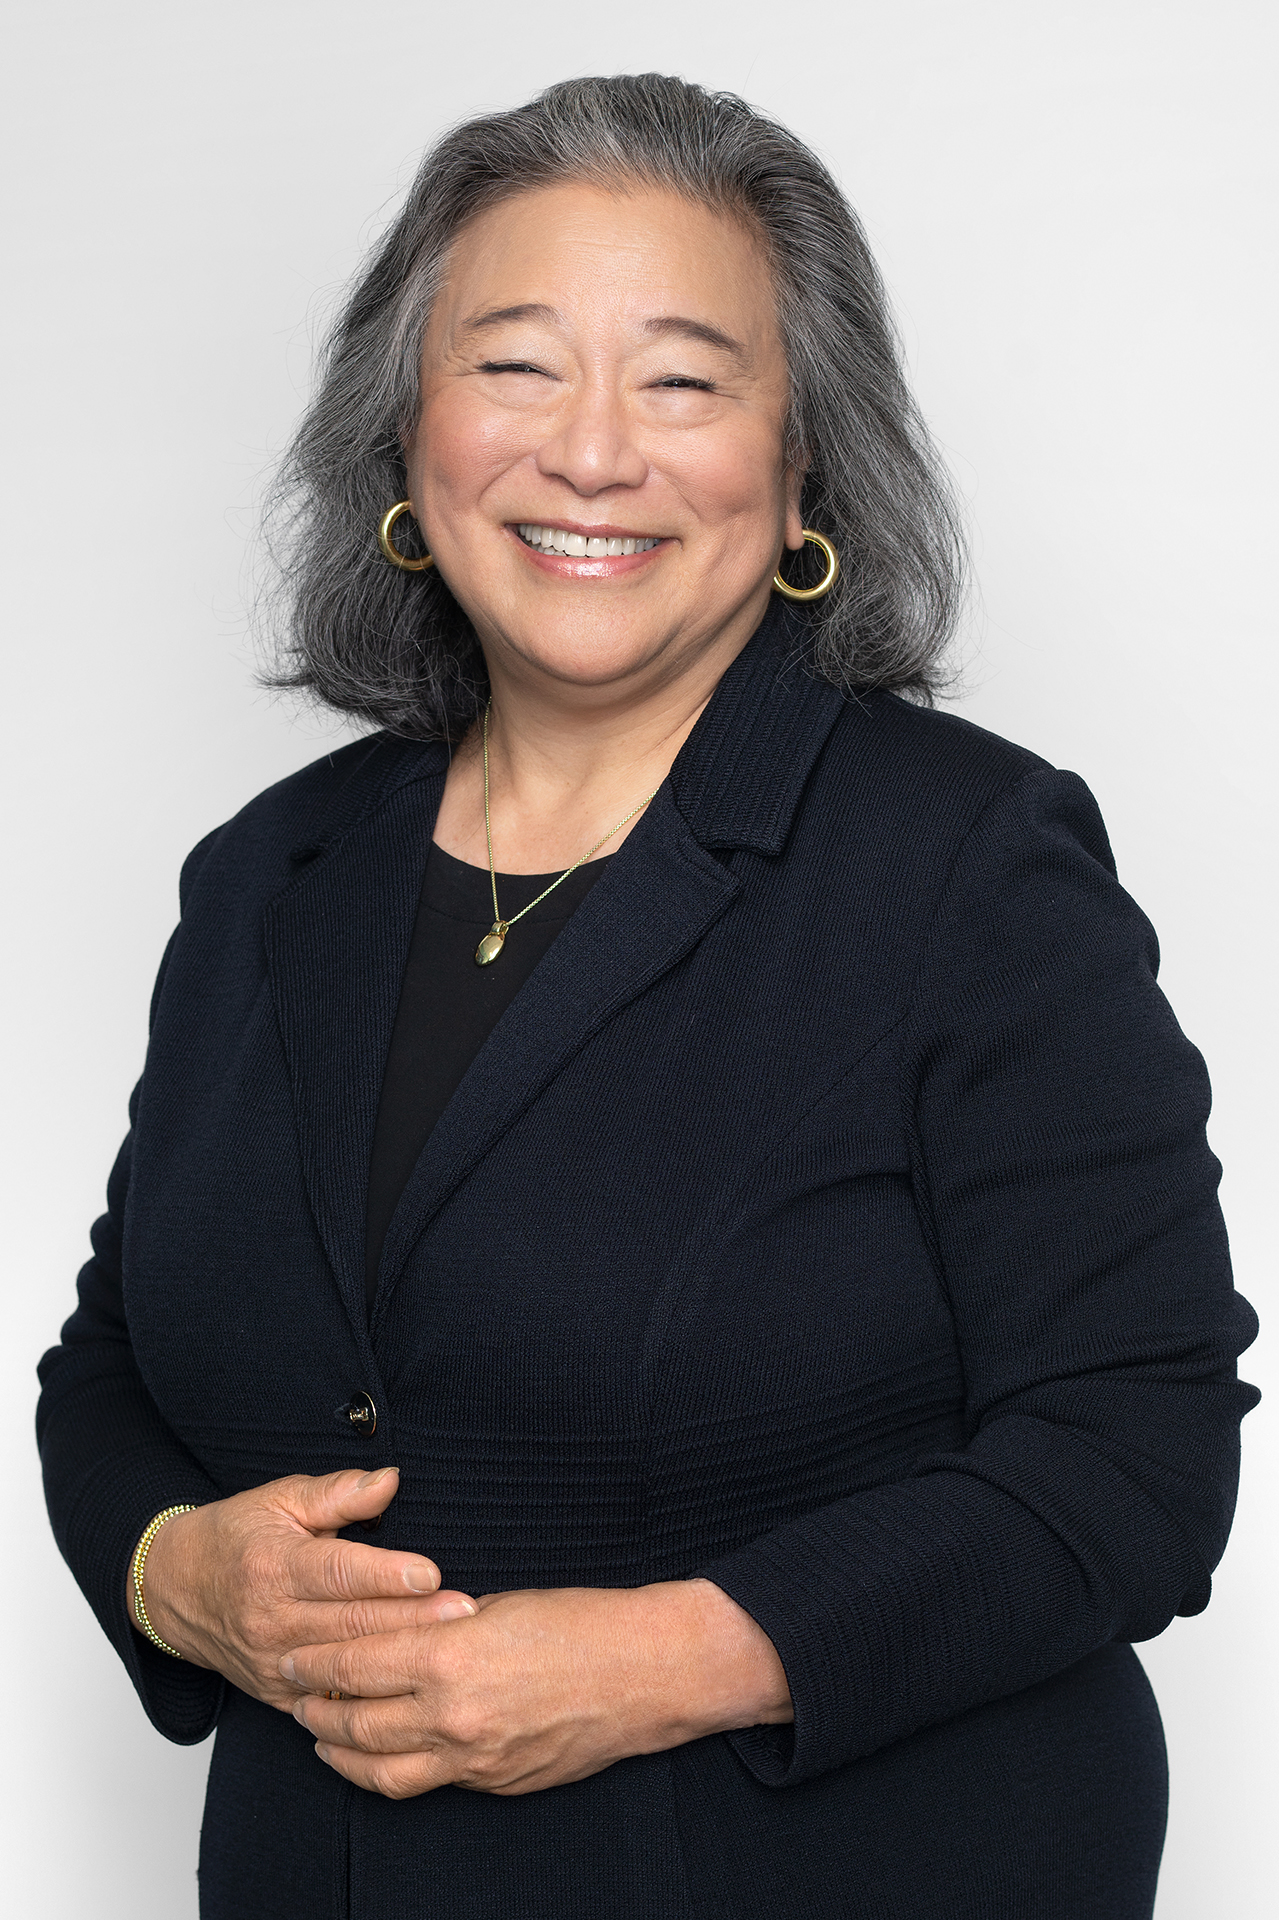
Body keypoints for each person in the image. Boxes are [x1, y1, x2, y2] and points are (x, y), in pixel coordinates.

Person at [37, 72, 1258, 1920]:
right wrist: (169, 1573)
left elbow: (1138, 1451)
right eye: (516, 365)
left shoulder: (968, 866)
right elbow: (111, 1364)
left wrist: (659, 1662)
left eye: (683, 382)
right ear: (408, 436)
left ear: (801, 470)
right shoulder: (268, 879)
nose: (592, 452)